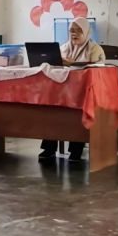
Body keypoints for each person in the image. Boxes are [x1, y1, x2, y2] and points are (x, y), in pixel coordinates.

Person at [39, 17, 106, 163]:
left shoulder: (95, 49)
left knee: (78, 109)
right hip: (64, 91)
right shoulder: (63, 48)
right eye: (71, 31)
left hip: (85, 93)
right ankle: (49, 149)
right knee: (51, 108)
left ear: (86, 32)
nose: (74, 34)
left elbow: (97, 70)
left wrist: (73, 63)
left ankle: (76, 150)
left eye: (78, 30)